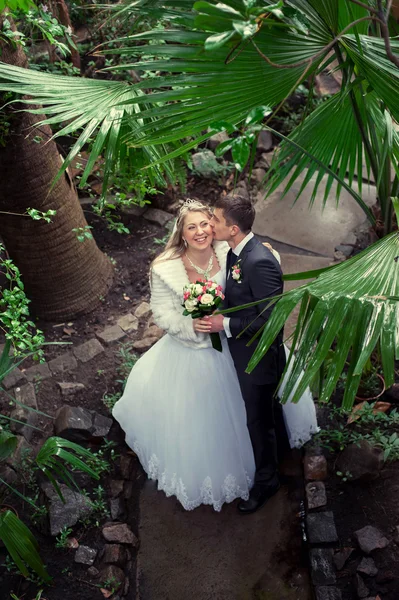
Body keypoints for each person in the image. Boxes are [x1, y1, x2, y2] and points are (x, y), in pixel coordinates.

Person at [113, 199, 256, 512]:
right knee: (198, 419)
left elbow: (250, 268)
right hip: (190, 351)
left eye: (205, 224)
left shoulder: (226, 251)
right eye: (192, 227)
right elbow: (162, 313)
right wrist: (190, 325)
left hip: (229, 340)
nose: (201, 231)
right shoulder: (164, 268)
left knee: (247, 404)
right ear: (182, 232)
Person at [201, 194, 299, 513]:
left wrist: (224, 323)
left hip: (259, 359)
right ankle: (284, 456)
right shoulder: (236, 253)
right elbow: (241, 297)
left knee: (257, 421)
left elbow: (268, 320)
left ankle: (267, 482)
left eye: (215, 220)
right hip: (245, 353)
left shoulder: (259, 260)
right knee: (266, 414)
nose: (210, 224)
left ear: (232, 228)